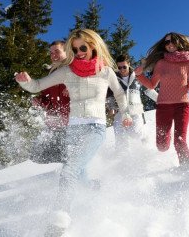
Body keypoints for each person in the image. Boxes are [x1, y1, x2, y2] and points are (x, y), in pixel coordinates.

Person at [15, 29, 132, 235]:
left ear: (93, 45)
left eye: (83, 48)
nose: (79, 52)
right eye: (75, 48)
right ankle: (94, 189)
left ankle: (58, 221)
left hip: (95, 128)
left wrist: (126, 114)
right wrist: (25, 82)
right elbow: (37, 85)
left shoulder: (105, 71)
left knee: (69, 170)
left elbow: (120, 94)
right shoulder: (67, 71)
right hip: (73, 130)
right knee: (79, 173)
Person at [134, 32, 189, 167]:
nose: (169, 44)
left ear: (179, 42)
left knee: (180, 140)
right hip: (163, 107)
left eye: (172, 41)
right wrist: (139, 75)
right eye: (166, 42)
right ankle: (167, 150)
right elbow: (152, 85)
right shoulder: (161, 63)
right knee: (162, 145)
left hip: (182, 105)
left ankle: (188, 170)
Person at [31, 40, 70, 164]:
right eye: (51, 52)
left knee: (70, 159)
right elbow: (47, 98)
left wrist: (75, 89)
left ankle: (83, 181)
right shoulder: (52, 74)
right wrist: (40, 101)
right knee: (41, 157)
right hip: (56, 124)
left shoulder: (75, 70)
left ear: (66, 52)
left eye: (57, 51)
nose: (53, 55)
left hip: (74, 123)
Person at [108, 54, 158, 152]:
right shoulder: (114, 78)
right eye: (119, 67)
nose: (122, 70)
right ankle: (122, 156)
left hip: (136, 110)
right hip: (120, 111)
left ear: (129, 64)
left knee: (135, 132)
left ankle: (145, 136)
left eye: (124, 67)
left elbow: (148, 89)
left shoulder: (136, 76)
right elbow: (109, 94)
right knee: (119, 131)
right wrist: (111, 107)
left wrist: (160, 99)